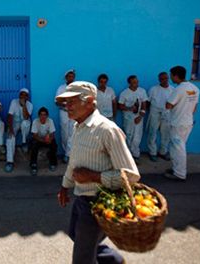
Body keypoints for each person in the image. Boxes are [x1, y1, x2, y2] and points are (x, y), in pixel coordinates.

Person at [56, 81, 138, 264]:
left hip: (98, 204)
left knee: (82, 258)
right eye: (65, 103)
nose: (66, 107)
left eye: (71, 102)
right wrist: (65, 185)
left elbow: (131, 175)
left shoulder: (108, 131)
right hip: (81, 198)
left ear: (90, 101)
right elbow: (75, 162)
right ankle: (113, 260)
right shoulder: (79, 127)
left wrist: (94, 177)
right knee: (75, 235)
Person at [164, 66, 200, 181]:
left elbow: (168, 105)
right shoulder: (195, 88)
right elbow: (195, 107)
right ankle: (176, 169)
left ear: (175, 75)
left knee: (178, 148)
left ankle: (179, 174)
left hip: (178, 123)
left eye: (171, 75)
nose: (170, 78)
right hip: (188, 122)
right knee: (178, 147)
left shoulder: (178, 89)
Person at [117, 75, 148, 160]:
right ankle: (128, 155)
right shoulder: (124, 93)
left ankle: (136, 154)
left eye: (137, 82)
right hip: (128, 118)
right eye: (134, 82)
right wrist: (130, 108)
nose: (136, 84)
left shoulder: (142, 91)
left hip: (139, 118)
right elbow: (120, 106)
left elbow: (145, 105)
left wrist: (140, 116)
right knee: (128, 135)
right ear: (129, 83)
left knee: (137, 136)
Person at [146, 72, 173, 162]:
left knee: (166, 134)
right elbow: (148, 102)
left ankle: (163, 152)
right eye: (161, 79)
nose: (164, 80)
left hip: (167, 114)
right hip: (154, 113)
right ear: (159, 80)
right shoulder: (153, 89)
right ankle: (152, 152)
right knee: (152, 133)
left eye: (165, 78)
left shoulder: (173, 90)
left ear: (168, 78)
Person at [4, 88, 33, 173]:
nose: (23, 96)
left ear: (27, 97)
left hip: (25, 124)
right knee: (10, 138)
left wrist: (24, 105)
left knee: (25, 123)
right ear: (19, 95)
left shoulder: (30, 105)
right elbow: (9, 115)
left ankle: (24, 142)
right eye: (21, 94)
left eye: (25, 95)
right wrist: (10, 128)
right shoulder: (14, 102)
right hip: (15, 123)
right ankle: (10, 162)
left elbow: (26, 117)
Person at [56, 69, 77, 163]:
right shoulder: (61, 88)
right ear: (66, 78)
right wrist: (65, 104)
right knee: (64, 133)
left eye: (72, 76)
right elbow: (57, 101)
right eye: (69, 76)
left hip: (74, 112)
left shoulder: (77, 87)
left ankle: (69, 155)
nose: (71, 78)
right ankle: (66, 152)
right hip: (64, 112)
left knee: (72, 132)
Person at [29, 107, 58, 175]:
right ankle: (33, 165)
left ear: (47, 115)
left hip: (47, 139)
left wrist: (49, 139)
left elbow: (52, 134)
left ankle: (53, 163)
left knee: (54, 144)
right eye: (41, 114)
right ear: (39, 115)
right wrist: (43, 140)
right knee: (33, 144)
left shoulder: (50, 121)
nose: (43, 116)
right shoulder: (35, 121)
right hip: (39, 139)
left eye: (44, 114)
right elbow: (34, 135)